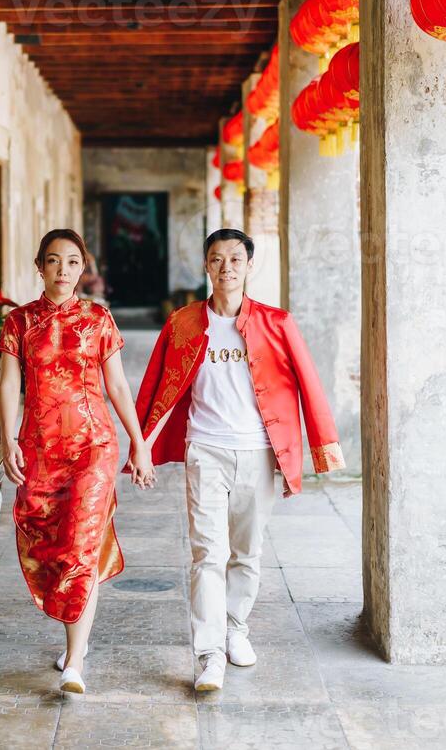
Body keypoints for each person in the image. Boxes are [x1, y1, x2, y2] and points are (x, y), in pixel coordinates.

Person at [128, 228, 345, 692]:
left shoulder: (277, 323)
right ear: (205, 266)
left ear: (249, 266)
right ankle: (209, 655)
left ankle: (235, 628)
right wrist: (141, 445)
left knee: (247, 553)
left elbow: (309, 383)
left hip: (259, 452)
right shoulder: (183, 323)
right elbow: (155, 387)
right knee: (208, 553)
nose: (225, 267)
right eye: (216, 259)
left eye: (234, 259)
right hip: (205, 449)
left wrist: (319, 449)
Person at [0, 229, 155, 694]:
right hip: (40, 448)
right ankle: (73, 644)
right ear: (39, 266)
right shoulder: (19, 322)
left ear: (82, 268)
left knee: (79, 545)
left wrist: (138, 444)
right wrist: (7, 440)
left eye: (72, 262)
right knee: (49, 546)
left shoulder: (98, 320)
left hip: (93, 447)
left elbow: (118, 387)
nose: (62, 270)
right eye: (53, 261)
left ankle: (75, 662)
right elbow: (10, 385)